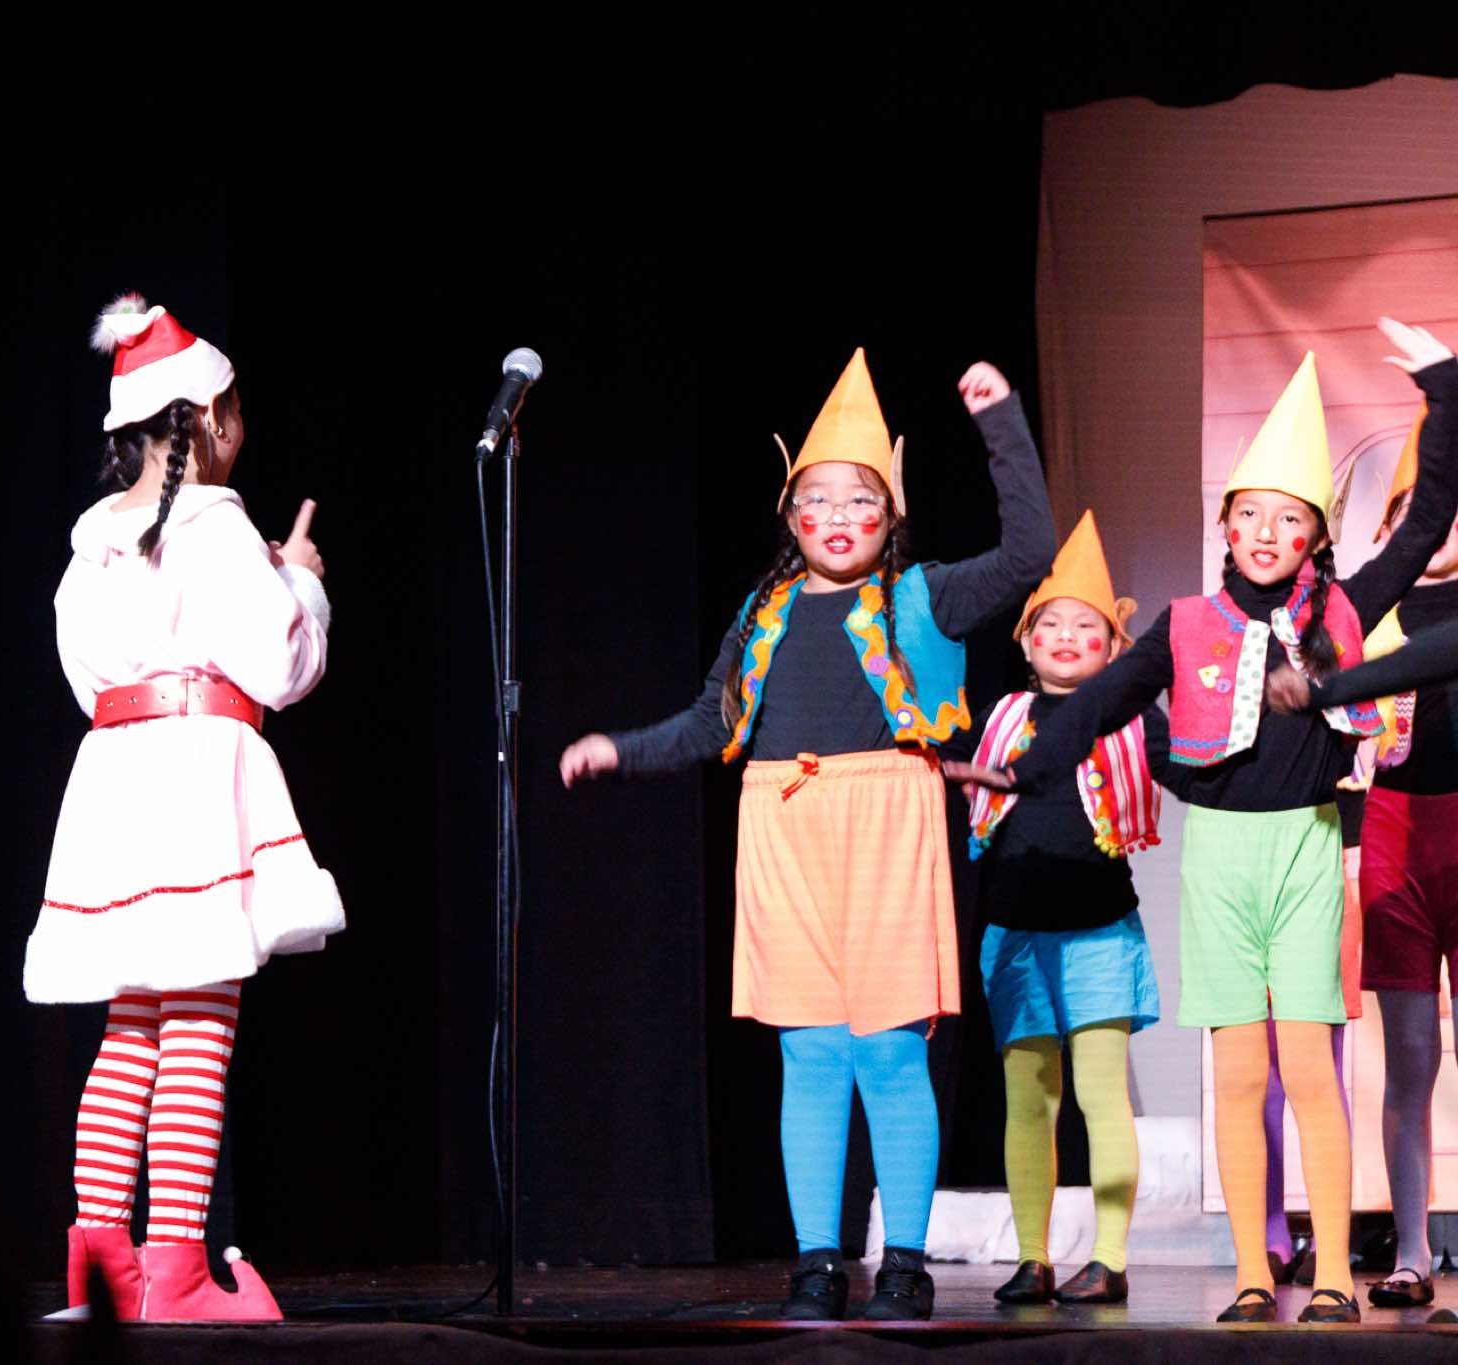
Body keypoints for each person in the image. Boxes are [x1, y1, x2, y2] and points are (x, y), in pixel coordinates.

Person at [946, 319, 1457, 1323]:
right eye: (1248, 514)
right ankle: (1252, 1274)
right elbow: (1098, 703)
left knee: (1307, 1066)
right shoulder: (1185, 625)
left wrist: (1443, 390)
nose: (1265, 533)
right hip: (1218, 857)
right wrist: (1025, 769)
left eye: (1288, 519)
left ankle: (1330, 1275)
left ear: (1314, 536)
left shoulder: (1345, 610)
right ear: (1224, 524)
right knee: (1235, 1072)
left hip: (1304, 846)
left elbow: (1425, 515)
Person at [560, 348, 1055, 1320]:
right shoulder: (763, 612)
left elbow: (1029, 550)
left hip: (886, 822)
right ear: (788, 517)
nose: (835, 515)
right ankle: (817, 1261)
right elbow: (709, 723)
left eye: (859, 499)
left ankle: (902, 1260)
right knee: (812, 1055)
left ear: (890, 516)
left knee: (889, 1052)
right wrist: (620, 749)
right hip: (782, 825)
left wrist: (999, 424)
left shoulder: (923, 595)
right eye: (815, 499)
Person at [23, 294, 343, 1321]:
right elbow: (278, 666)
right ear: (209, 419)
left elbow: (86, 675)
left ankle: (102, 1274)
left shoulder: (91, 548)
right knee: (199, 1018)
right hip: (197, 777)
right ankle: (176, 1275)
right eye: (234, 411)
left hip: (114, 782)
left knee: (130, 1026)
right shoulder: (215, 525)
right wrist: (300, 584)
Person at [1267, 404, 1458, 1309]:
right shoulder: (1366, 613)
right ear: (1392, 528)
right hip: (1394, 833)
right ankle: (1412, 1250)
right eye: (1418, 508)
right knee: (1410, 1059)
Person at [965, 510, 1166, 1308]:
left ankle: (1110, 1256)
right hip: (1015, 933)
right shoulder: (1002, 720)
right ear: (1025, 640)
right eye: (1051, 622)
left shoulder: (1132, 720)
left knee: (1099, 1094)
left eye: (1087, 626)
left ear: (1115, 647)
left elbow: (1190, 764)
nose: (1067, 636)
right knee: (1028, 1100)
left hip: (1097, 931)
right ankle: (1033, 1256)